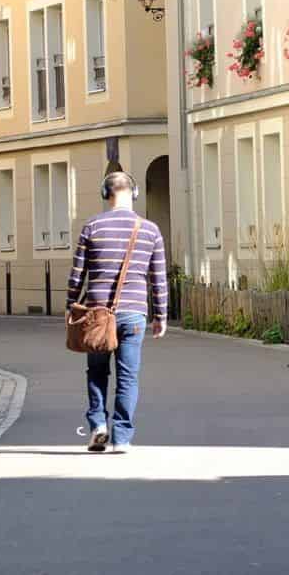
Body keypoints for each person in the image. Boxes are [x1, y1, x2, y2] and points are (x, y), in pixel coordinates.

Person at [66, 171, 168, 453]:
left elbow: (77, 275)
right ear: (133, 193)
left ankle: (98, 424)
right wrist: (161, 315)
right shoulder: (150, 230)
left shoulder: (92, 226)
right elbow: (158, 278)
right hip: (134, 313)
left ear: (105, 193)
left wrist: (70, 306)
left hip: (97, 313)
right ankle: (122, 437)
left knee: (97, 372)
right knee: (128, 376)